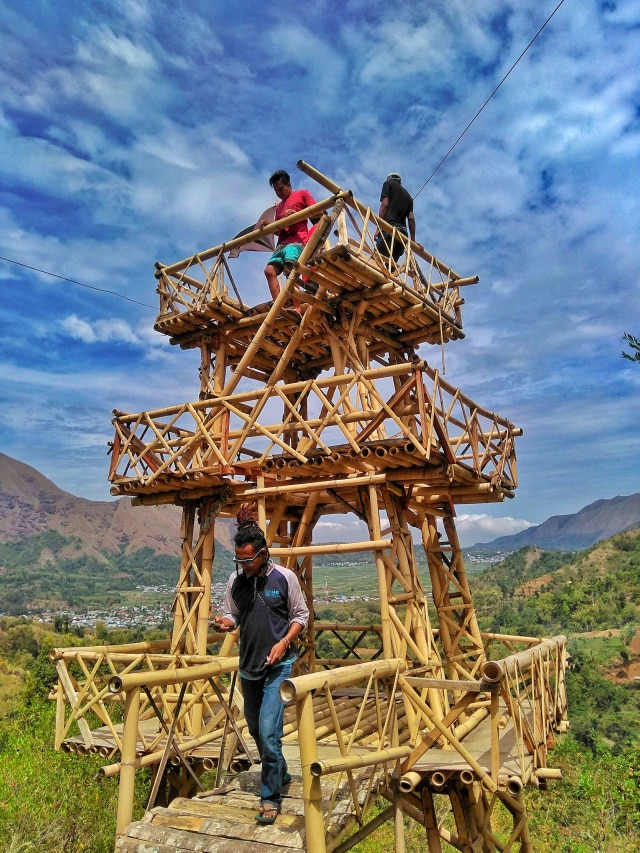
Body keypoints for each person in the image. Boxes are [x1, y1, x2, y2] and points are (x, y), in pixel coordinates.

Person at [213, 505, 309, 825]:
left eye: (248, 560)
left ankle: (269, 797)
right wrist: (225, 624)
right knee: (255, 730)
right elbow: (233, 615)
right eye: (238, 560)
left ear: (264, 554)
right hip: (248, 667)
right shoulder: (236, 581)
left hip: (278, 667)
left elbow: (301, 617)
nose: (243, 565)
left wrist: (283, 643)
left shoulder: (285, 578)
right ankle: (280, 771)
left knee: (268, 731)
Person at [261, 170, 317, 312]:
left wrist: (298, 215)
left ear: (288, 184)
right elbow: (279, 230)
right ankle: (280, 307)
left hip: (297, 239)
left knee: (290, 268)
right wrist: (269, 227)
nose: (278, 193)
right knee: (269, 271)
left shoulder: (302, 194)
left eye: (280, 189)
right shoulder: (279, 207)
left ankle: (296, 306)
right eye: (276, 191)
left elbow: (319, 213)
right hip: (282, 243)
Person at [374, 172, 416, 263]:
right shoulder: (409, 197)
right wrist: (413, 241)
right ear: (400, 182)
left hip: (390, 230)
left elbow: (384, 204)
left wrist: (379, 227)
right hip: (403, 235)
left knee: (375, 263)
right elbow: (411, 218)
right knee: (390, 268)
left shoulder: (388, 184)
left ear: (389, 179)